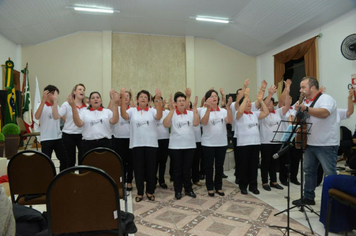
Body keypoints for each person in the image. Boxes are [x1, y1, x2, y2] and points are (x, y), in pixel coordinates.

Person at [292, 76, 338, 206]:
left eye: (303, 87)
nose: (301, 90)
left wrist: (305, 109)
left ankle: (333, 201)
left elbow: (324, 113)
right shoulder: (307, 101)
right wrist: (299, 113)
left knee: (329, 173)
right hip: (311, 143)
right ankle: (308, 197)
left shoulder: (326, 98)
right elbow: (302, 120)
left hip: (326, 144)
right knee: (309, 171)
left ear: (313, 87)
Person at [120, 88, 163, 202]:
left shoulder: (152, 110)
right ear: (137, 100)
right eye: (141, 97)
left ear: (149, 100)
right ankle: (140, 192)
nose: (143, 98)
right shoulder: (132, 111)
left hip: (151, 144)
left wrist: (158, 101)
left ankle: (150, 191)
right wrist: (123, 99)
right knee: (138, 169)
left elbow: (159, 116)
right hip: (136, 144)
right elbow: (124, 115)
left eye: (145, 97)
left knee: (151, 169)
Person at [163, 92, 200, 199]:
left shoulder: (190, 112)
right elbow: (165, 124)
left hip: (189, 146)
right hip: (175, 147)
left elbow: (196, 123)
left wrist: (196, 108)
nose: (182, 102)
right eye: (179, 101)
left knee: (187, 169)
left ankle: (188, 189)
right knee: (177, 170)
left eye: (183, 100)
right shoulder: (172, 113)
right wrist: (171, 110)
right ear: (176, 103)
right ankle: (178, 190)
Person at [235, 88, 269, 195]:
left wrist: (261, 100)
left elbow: (266, 112)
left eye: (250, 102)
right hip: (243, 144)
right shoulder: (239, 114)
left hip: (255, 143)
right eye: (247, 102)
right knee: (244, 166)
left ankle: (253, 186)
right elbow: (240, 110)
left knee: (254, 166)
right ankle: (243, 186)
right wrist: (245, 97)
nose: (249, 103)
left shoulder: (254, 114)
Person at [200, 89, 233, 197]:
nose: (214, 97)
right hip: (208, 144)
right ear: (207, 99)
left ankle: (218, 186)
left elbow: (230, 121)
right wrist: (209, 109)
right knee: (209, 167)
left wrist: (228, 108)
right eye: (212, 96)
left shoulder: (223, 111)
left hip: (221, 143)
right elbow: (204, 123)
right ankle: (209, 187)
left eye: (215, 96)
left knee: (219, 166)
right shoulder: (203, 110)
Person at [70, 90, 120, 157]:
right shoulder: (84, 112)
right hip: (88, 144)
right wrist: (73, 107)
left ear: (101, 101)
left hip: (105, 143)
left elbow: (114, 121)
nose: (95, 99)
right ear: (90, 102)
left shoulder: (107, 112)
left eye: (97, 97)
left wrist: (115, 105)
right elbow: (79, 124)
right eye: (93, 98)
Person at [259, 85, 290, 191]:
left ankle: (274, 181)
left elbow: (287, 105)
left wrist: (287, 90)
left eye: (271, 103)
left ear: (273, 104)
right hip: (266, 141)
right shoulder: (261, 114)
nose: (269, 104)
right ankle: (264, 182)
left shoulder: (277, 112)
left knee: (274, 162)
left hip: (277, 141)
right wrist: (269, 94)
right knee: (265, 162)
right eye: (267, 103)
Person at [34, 85, 68, 171]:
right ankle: (48, 178)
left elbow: (64, 119)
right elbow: (37, 117)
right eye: (53, 93)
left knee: (64, 159)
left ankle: (62, 177)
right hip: (46, 138)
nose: (55, 96)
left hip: (58, 137)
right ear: (47, 94)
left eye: (56, 94)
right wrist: (43, 101)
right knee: (46, 161)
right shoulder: (40, 105)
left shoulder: (57, 106)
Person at [52, 83, 86, 167]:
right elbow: (56, 116)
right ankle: (69, 178)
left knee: (83, 159)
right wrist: (55, 102)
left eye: (83, 90)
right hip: (68, 135)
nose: (82, 91)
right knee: (69, 160)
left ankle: (82, 178)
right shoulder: (66, 104)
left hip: (83, 135)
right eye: (80, 89)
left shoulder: (87, 106)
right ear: (74, 92)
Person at [111, 90, 134, 191]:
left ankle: (129, 181)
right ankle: (121, 181)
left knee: (131, 162)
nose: (125, 98)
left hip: (131, 139)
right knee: (120, 162)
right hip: (118, 139)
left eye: (127, 96)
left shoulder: (133, 110)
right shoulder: (116, 108)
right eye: (123, 96)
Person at [154, 96, 170, 189]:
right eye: (157, 101)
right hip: (154, 140)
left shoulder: (167, 112)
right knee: (154, 162)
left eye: (161, 100)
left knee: (163, 162)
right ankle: (153, 179)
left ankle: (162, 180)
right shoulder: (152, 111)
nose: (159, 102)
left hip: (165, 139)